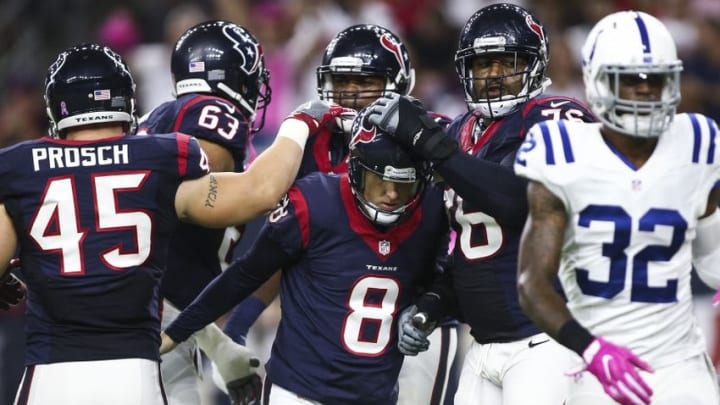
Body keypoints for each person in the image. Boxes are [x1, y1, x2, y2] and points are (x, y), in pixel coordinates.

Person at [0, 42, 346, 405]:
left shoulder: (19, 167)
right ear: (124, 100)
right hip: (134, 374)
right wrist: (299, 123)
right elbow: (260, 190)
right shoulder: (161, 159)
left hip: (53, 376)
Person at [367, 3, 596, 404]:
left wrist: (430, 145)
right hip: (484, 346)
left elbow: (519, 201)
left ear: (535, 65)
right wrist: (432, 305)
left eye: (505, 63)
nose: (492, 76)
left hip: (546, 341)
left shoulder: (554, 116)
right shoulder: (460, 133)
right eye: (482, 65)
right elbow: (475, 253)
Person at [222, 23, 459, 405]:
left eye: (364, 81)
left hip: (413, 317)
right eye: (341, 80)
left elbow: (462, 240)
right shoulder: (313, 144)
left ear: (399, 83)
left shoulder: (432, 137)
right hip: (331, 326)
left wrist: (432, 304)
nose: (350, 93)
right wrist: (239, 322)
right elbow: (281, 248)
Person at [160, 108, 451, 405]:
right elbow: (247, 272)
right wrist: (181, 329)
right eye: (379, 182)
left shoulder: (429, 210)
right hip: (299, 394)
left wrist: (426, 309)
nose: (391, 195)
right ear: (355, 169)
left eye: (403, 185)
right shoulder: (315, 202)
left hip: (376, 395)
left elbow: (447, 280)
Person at [514, 10, 720, 405]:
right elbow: (532, 284)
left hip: (680, 364)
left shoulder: (697, 142)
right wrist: (590, 349)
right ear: (596, 79)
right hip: (598, 365)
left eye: (654, 79)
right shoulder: (562, 152)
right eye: (630, 79)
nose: (644, 90)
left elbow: (712, 254)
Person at [136, 20, 272, 405]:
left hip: (163, 320)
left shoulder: (158, 118)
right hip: (154, 320)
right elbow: (179, 195)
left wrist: (215, 338)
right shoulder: (212, 112)